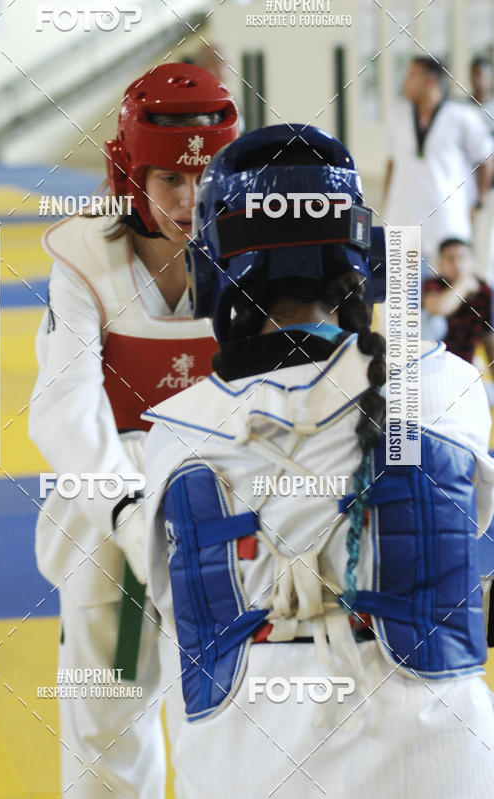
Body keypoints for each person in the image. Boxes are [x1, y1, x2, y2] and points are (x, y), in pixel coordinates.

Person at [133, 124, 494, 798]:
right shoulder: (447, 387)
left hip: (243, 765)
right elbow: (464, 544)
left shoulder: (175, 433)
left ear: (219, 263)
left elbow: (171, 606)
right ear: (358, 254)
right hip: (441, 760)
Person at [29, 62, 239, 798]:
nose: (190, 199)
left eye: (206, 176)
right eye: (171, 181)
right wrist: (126, 511)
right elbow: (64, 406)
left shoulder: (254, 255)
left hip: (222, 505)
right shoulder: (84, 258)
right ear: (131, 174)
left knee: (226, 701)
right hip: (107, 511)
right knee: (108, 711)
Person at [382, 55, 493, 264]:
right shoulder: (397, 116)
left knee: (447, 287)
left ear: (430, 81)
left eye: (412, 76)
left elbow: (486, 158)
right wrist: (386, 202)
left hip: (447, 217)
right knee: (399, 287)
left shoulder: (462, 116)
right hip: (403, 213)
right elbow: (392, 162)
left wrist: (478, 202)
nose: (405, 82)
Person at [422, 237, 494, 366]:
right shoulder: (432, 284)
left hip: (464, 367)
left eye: (463, 258)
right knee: (435, 322)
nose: (457, 264)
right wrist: (464, 284)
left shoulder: (484, 292)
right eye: (450, 259)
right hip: (431, 364)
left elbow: (488, 337)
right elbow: (439, 308)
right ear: (440, 264)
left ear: (473, 262)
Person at [468, 56, 494, 284]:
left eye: (482, 75)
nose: (478, 80)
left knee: (487, 235)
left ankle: (485, 281)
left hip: (490, 183)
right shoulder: (463, 109)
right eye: (475, 74)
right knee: (472, 233)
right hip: (468, 183)